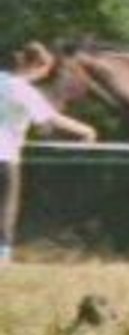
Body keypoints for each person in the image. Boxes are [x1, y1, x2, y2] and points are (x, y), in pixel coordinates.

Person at [0, 41, 98, 265]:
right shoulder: (23, 91)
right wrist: (86, 130)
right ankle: (2, 255)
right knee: (6, 205)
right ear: (37, 66)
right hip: (5, 156)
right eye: (46, 70)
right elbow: (51, 119)